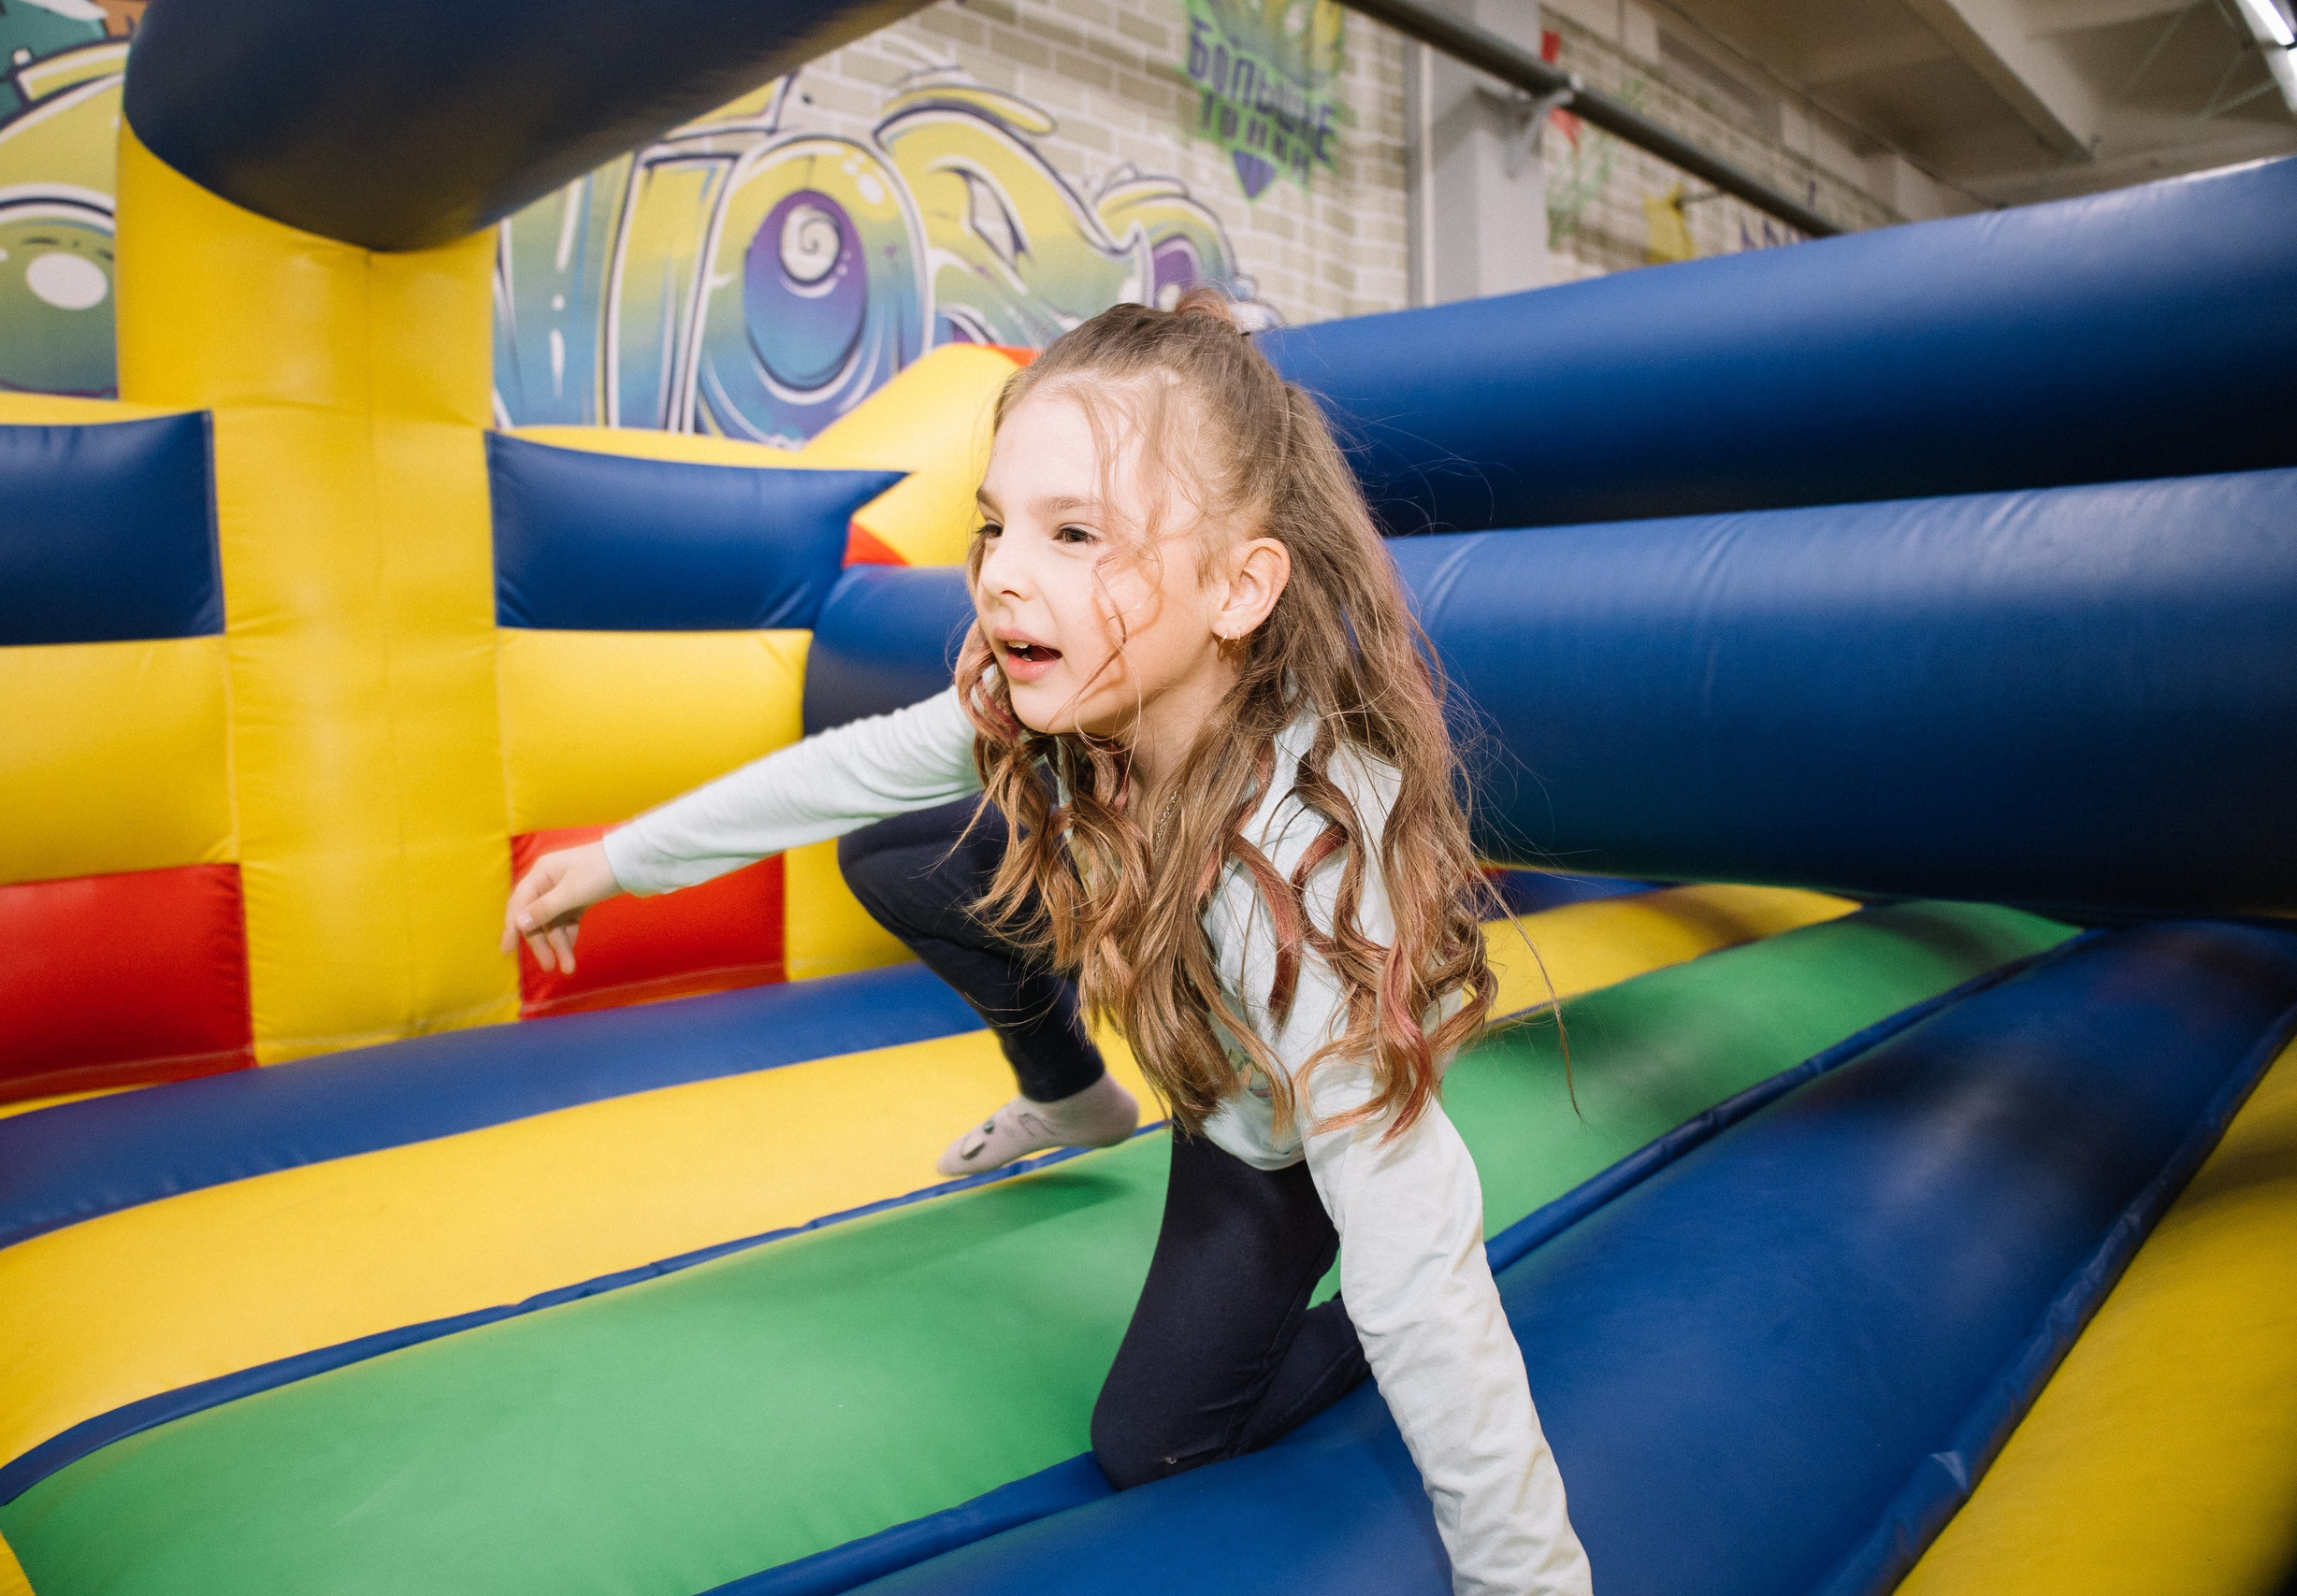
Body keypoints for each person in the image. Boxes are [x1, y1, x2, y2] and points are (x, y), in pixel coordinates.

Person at [500, 295, 1592, 1594]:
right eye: (997, 525)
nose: (1008, 572)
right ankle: (1070, 1095)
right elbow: (841, 773)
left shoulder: (1298, 873)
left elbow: (1419, 1252)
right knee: (895, 848)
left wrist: (1527, 1578)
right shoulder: (1048, 709)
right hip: (1189, 1011)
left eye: (1076, 533)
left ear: (1238, 588)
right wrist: (615, 862)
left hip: (1272, 1120)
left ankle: (1325, 1319)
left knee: (1154, 1442)